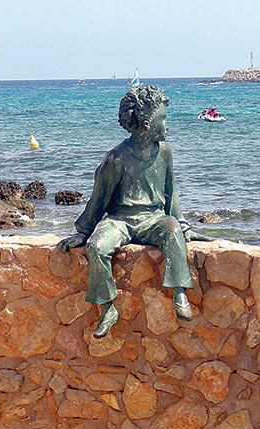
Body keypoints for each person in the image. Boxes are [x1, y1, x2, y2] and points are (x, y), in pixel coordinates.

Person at [58, 85, 212, 338]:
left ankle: (180, 291)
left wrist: (184, 227)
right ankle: (107, 307)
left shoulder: (164, 151)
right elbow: (99, 199)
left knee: (172, 231)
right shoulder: (115, 160)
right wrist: (84, 231)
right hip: (120, 220)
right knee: (97, 247)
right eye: (163, 119)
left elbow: (171, 192)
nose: (168, 125)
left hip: (153, 219)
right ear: (146, 124)